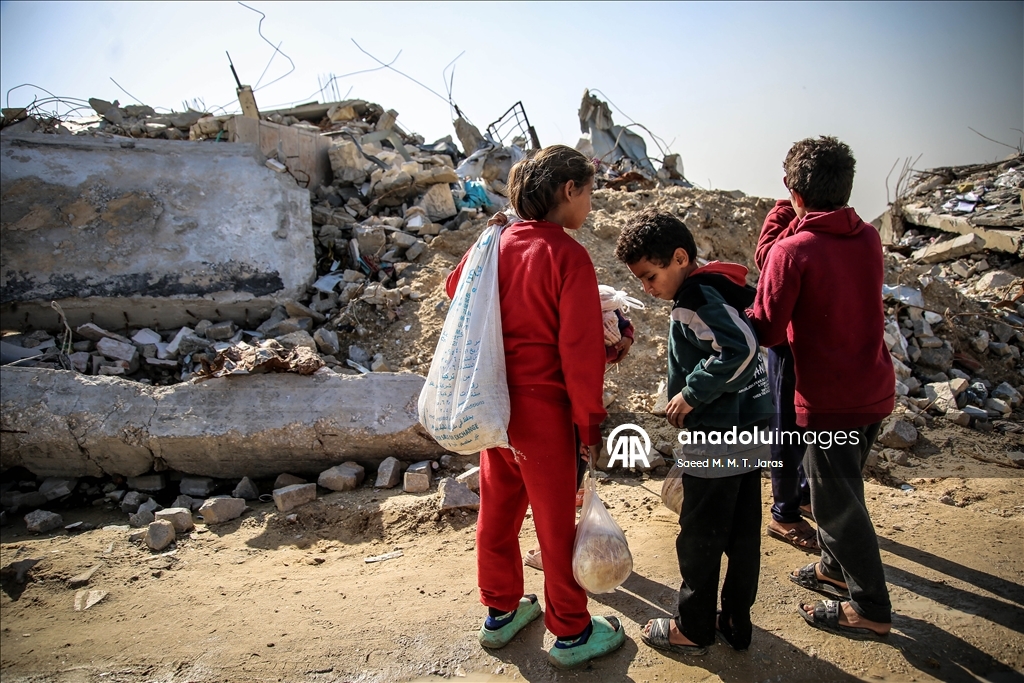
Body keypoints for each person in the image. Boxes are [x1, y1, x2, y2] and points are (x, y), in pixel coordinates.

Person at [445, 145, 626, 669]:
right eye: (589, 192)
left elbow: (456, 288)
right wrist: (590, 419)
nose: (590, 205)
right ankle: (570, 633)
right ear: (569, 190)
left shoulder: (495, 244)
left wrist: (494, 232)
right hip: (543, 412)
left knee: (498, 513)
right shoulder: (567, 254)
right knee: (554, 525)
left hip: (492, 407)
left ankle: (500, 612)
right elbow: (579, 351)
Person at [747, 136, 895, 640]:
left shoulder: (792, 251)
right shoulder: (868, 237)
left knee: (838, 508)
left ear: (794, 192)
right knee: (841, 492)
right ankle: (834, 569)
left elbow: (767, 328)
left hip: (831, 403)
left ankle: (870, 606)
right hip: (873, 387)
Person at [615, 207, 773, 654]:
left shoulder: (694, 301)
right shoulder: (724, 286)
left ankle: (695, 627)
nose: (647, 288)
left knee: (700, 536)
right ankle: (736, 624)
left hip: (719, 436)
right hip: (751, 432)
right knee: (742, 535)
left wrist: (691, 394)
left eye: (650, 276)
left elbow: (739, 347)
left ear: (680, 258)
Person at [755, 204, 819, 553]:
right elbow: (766, 259)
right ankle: (785, 511)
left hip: (816, 343)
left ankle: (805, 496)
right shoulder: (781, 215)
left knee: (810, 427)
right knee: (786, 426)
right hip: (785, 343)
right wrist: (799, 220)